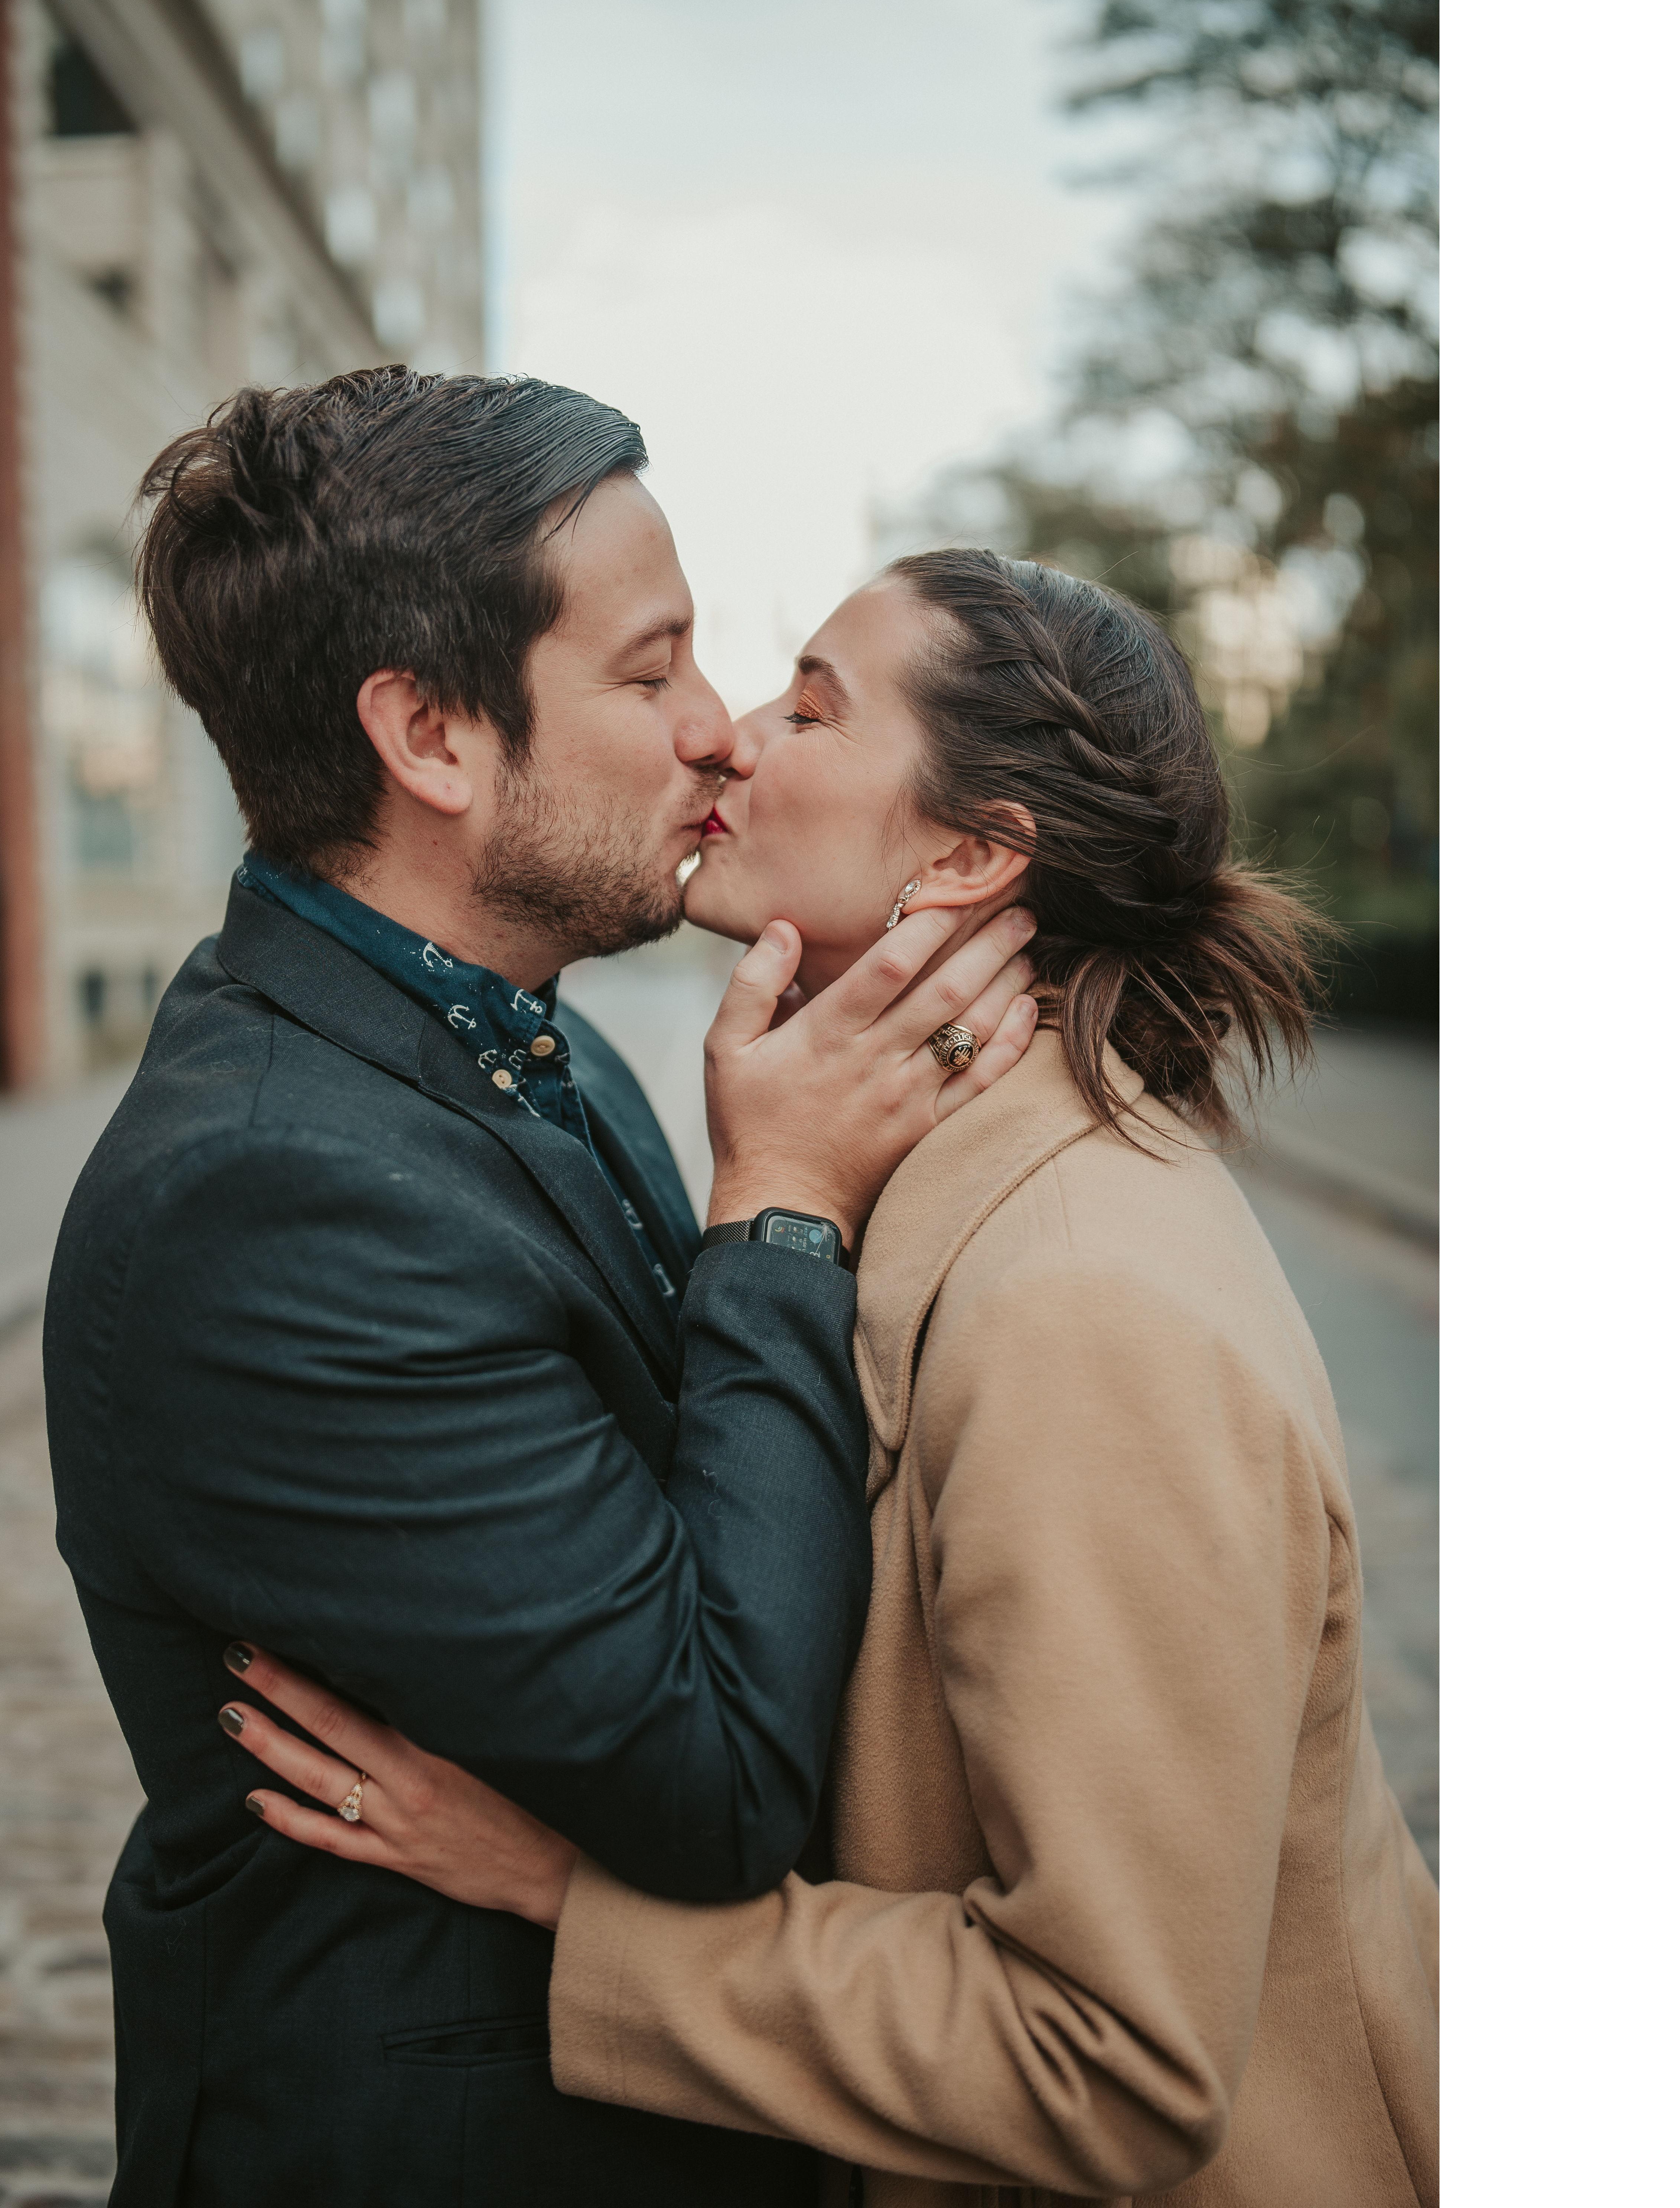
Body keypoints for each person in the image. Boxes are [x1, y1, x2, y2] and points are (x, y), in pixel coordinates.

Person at [218, 550, 1442, 2207]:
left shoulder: (1078, 1305)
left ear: (966, 855)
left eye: (810, 710)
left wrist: (579, 1901)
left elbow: (1116, 2058)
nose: (732, 738)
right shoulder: (936, 1178)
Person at [41, 368, 1042, 2207]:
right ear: (431, 735)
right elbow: (717, 1775)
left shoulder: (519, 1039)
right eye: (652, 674)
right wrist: (784, 1207)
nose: (720, 733)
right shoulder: (275, 1202)